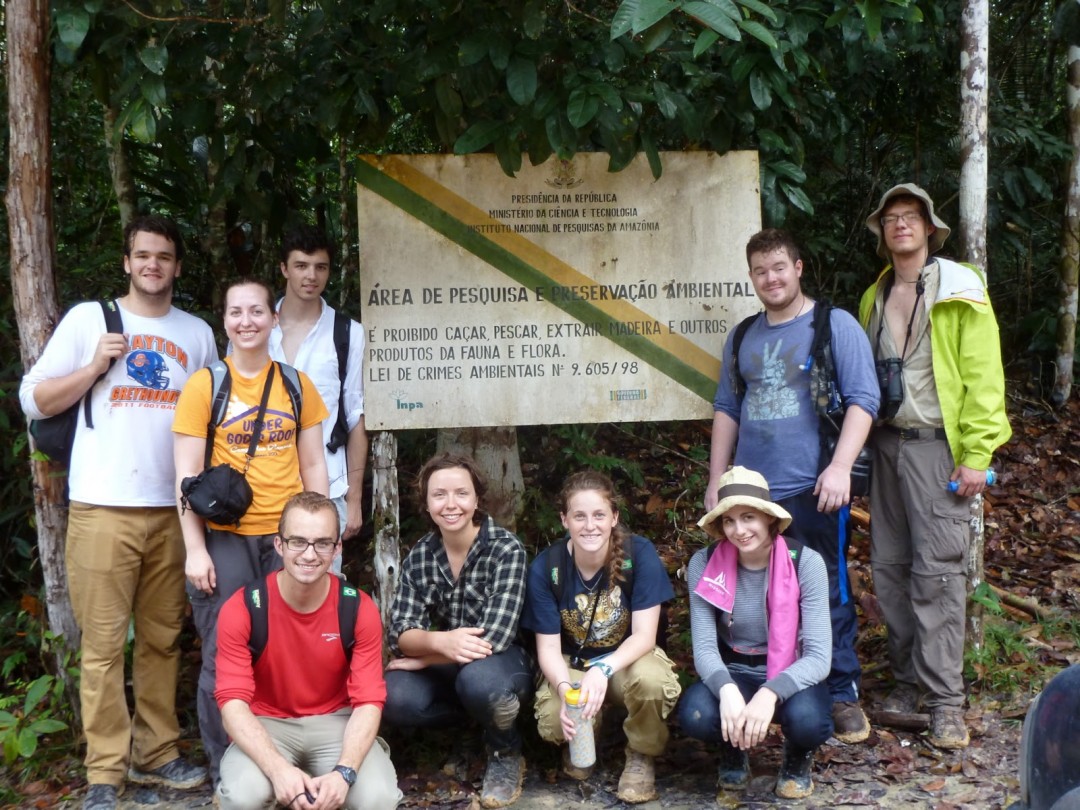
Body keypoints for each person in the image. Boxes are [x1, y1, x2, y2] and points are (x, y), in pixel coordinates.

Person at [19, 215, 216, 810]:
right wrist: (93, 368)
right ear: (127, 262)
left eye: (164, 256)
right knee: (103, 647)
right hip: (103, 507)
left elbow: (213, 413)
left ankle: (157, 752)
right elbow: (34, 399)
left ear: (177, 266)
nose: (153, 265)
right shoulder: (90, 320)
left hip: (173, 510)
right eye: (143, 255)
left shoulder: (196, 333)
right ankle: (105, 771)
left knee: (162, 640)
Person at [705, 228, 879, 743]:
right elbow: (727, 408)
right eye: (760, 271)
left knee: (828, 588)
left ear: (798, 268)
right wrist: (717, 480)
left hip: (813, 484)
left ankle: (841, 691)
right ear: (751, 276)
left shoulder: (832, 325)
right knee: (754, 591)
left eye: (779, 267)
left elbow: (864, 399)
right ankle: (764, 688)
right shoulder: (743, 336)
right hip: (752, 495)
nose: (771, 278)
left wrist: (841, 467)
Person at [859, 183, 1011, 748]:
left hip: (937, 448)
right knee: (891, 567)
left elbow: (984, 374)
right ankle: (906, 683)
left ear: (929, 228)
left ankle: (946, 700)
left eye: (911, 216)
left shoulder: (960, 287)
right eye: (891, 218)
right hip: (885, 446)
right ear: (882, 233)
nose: (900, 224)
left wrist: (977, 454)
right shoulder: (873, 295)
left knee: (939, 572)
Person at [173, 278, 330, 785]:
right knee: (225, 653)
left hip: (288, 540)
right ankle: (227, 769)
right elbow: (186, 477)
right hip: (226, 538)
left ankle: (287, 759)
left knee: (290, 649)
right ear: (224, 320)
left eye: (257, 311)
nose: (247, 321)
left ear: (273, 318)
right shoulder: (205, 386)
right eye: (236, 312)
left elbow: (313, 464)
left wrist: (321, 540)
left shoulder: (296, 385)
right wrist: (195, 550)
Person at [213, 491, 401, 810]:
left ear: (337, 548)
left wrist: (344, 772)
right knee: (243, 797)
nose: (310, 554)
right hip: (267, 722)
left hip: (337, 722)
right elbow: (231, 702)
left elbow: (369, 701)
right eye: (298, 541)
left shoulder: (357, 608)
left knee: (377, 798)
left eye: (322, 543)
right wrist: (279, 771)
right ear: (279, 544)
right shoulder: (244, 607)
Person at [521, 470, 681, 804]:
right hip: (574, 663)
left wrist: (603, 669)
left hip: (626, 661)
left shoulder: (639, 555)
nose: (589, 525)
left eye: (599, 515)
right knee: (553, 721)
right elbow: (548, 649)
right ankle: (587, 734)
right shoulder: (547, 567)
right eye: (579, 516)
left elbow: (645, 636)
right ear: (564, 519)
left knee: (652, 682)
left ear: (614, 518)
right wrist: (564, 690)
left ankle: (641, 753)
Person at [382, 454, 532, 809]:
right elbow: (399, 634)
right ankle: (468, 729)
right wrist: (437, 641)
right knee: (393, 694)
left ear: (477, 499)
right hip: (452, 659)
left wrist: (427, 657)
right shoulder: (421, 555)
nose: (451, 504)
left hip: (504, 663)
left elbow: (495, 635)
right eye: (439, 495)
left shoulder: (505, 548)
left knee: (479, 681)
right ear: (426, 503)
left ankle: (506, 750)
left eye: (461, 493)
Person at [679, 466, 833, 801]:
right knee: (696, 713)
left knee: (809, 720)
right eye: (729, 521)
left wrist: (770, 692)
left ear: (768, 517)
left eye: (748, 517)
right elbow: (704, 648)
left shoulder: (806, 563)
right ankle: (733, 748)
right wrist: (727, 690)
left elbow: (820, 657)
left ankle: (797, 759)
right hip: (734, 668)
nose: (739, 530)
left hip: (790, 669)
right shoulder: (703, 564)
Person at [269, 226, 367, 574]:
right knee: (264, 591)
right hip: (261, 484)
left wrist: (354, 499)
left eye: (320, 267)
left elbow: (355, 416)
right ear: (284, 268)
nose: (311, 276)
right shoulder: (256, 326)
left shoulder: (347, 333)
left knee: (322, 585)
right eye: (301, 265)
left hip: (328, 485)